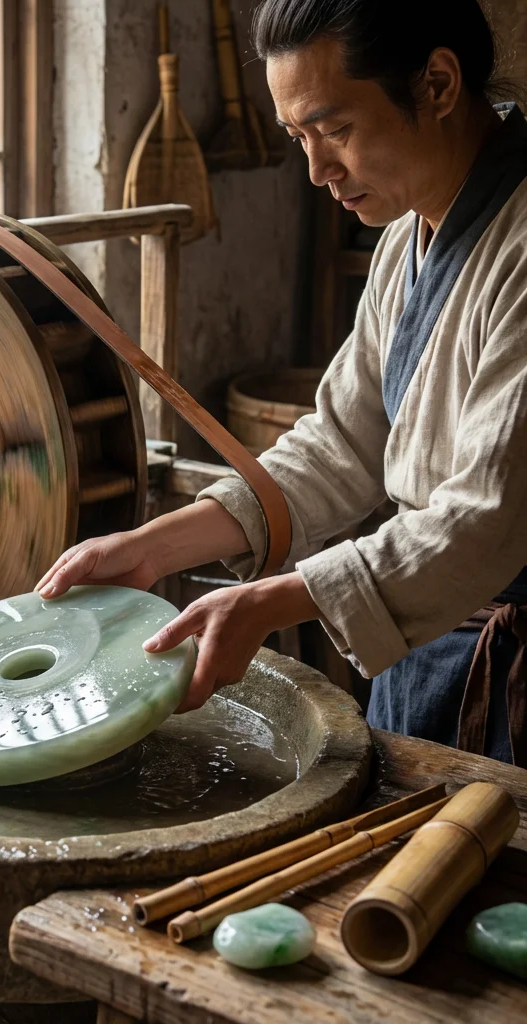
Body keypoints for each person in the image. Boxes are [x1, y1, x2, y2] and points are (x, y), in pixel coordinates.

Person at [36, 0, 527, 765]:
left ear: (436, 83)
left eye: (334, 130)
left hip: (511, 682)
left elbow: (487, 520)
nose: (317, 171)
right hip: (432, 650)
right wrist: (154, 546)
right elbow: (343, 441)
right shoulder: (412, 233)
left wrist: (275, 600)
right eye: (298, 138)